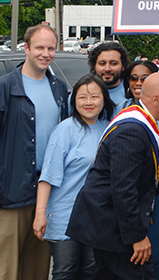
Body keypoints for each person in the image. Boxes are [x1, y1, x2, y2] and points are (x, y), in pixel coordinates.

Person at [67, 73, 159, 280]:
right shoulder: (132, 131)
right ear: (156, 99)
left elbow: (138, 169)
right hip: (112, 227)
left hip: (112, 225)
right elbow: (123, 187)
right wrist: (136, 237)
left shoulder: (140, 121)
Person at [0, 24, 69, 280]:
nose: (45, 53)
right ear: (26, 48)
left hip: (47, 192)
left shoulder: (59, 89)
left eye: (51, 48)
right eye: (39, 47)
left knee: (38, 269)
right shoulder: (6, 87)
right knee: (7, 268)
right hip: (10, 194)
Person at [33, 75, 115, 280]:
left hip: (94, 217)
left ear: (104, 99)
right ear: (73, 101)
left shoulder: (109, 129)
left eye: (95, 97)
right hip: (64, 215)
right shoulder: (65, 130)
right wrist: (40, 213)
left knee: (90, 271)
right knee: (65, 271)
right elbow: (48, 176)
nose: (88, 102)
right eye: (82, 97)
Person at [121, 56, 159, 280]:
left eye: (144, 78)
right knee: (133, 253)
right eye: (133, 78)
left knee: (153, 253)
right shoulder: (128, 120)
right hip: (132, 196)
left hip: (156, 188)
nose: (138, 82)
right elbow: (124, 182)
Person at [88, 41, 131, 114]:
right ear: (94, 66)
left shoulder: (132, 93)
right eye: (102, 64)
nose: (107, 69)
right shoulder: (81, 93)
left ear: (123, 66)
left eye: (113, 63)